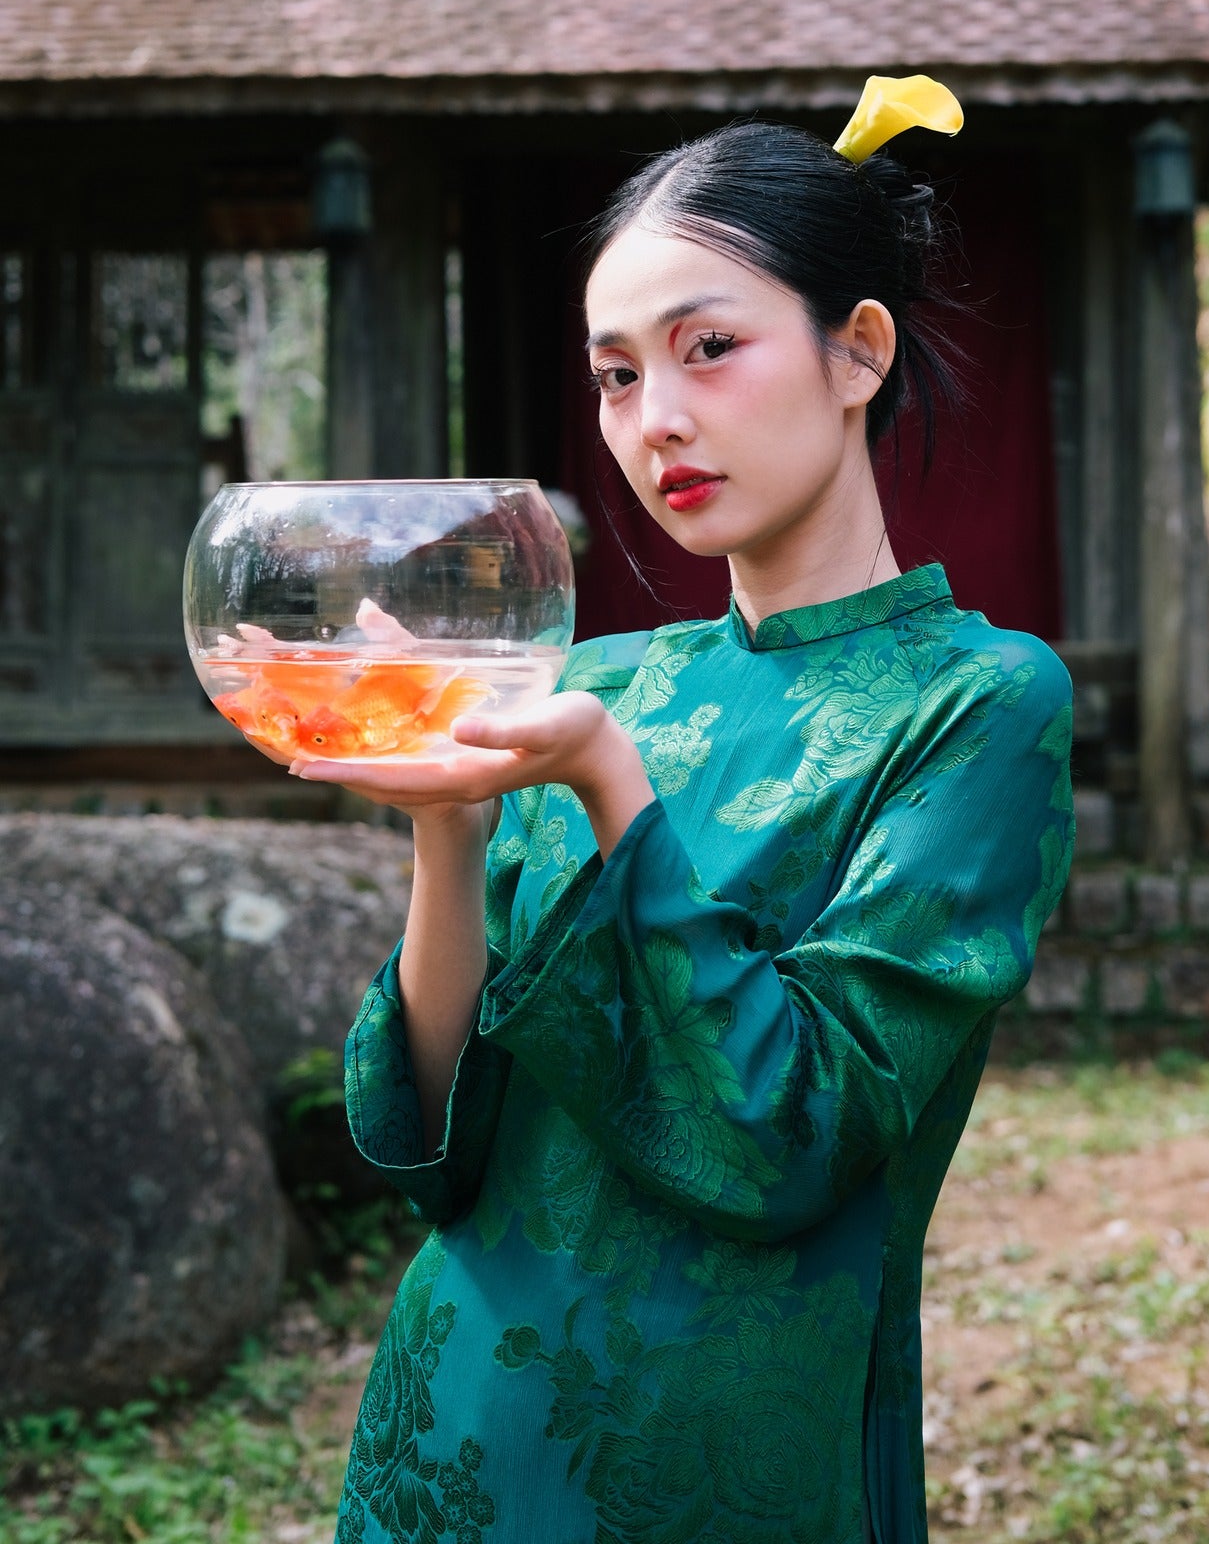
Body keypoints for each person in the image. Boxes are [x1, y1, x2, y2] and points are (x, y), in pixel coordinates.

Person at [297, 76, 1075, 1544]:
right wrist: (448, 831)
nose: (657, 421)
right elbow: (446, 1151)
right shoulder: (587, 677)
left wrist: (607, 785)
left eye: (709, 350)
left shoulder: (978, 703)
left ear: (856, 354)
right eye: (613, 376)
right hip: (446, 1439)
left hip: (726, 1460)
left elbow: (787, 1136)